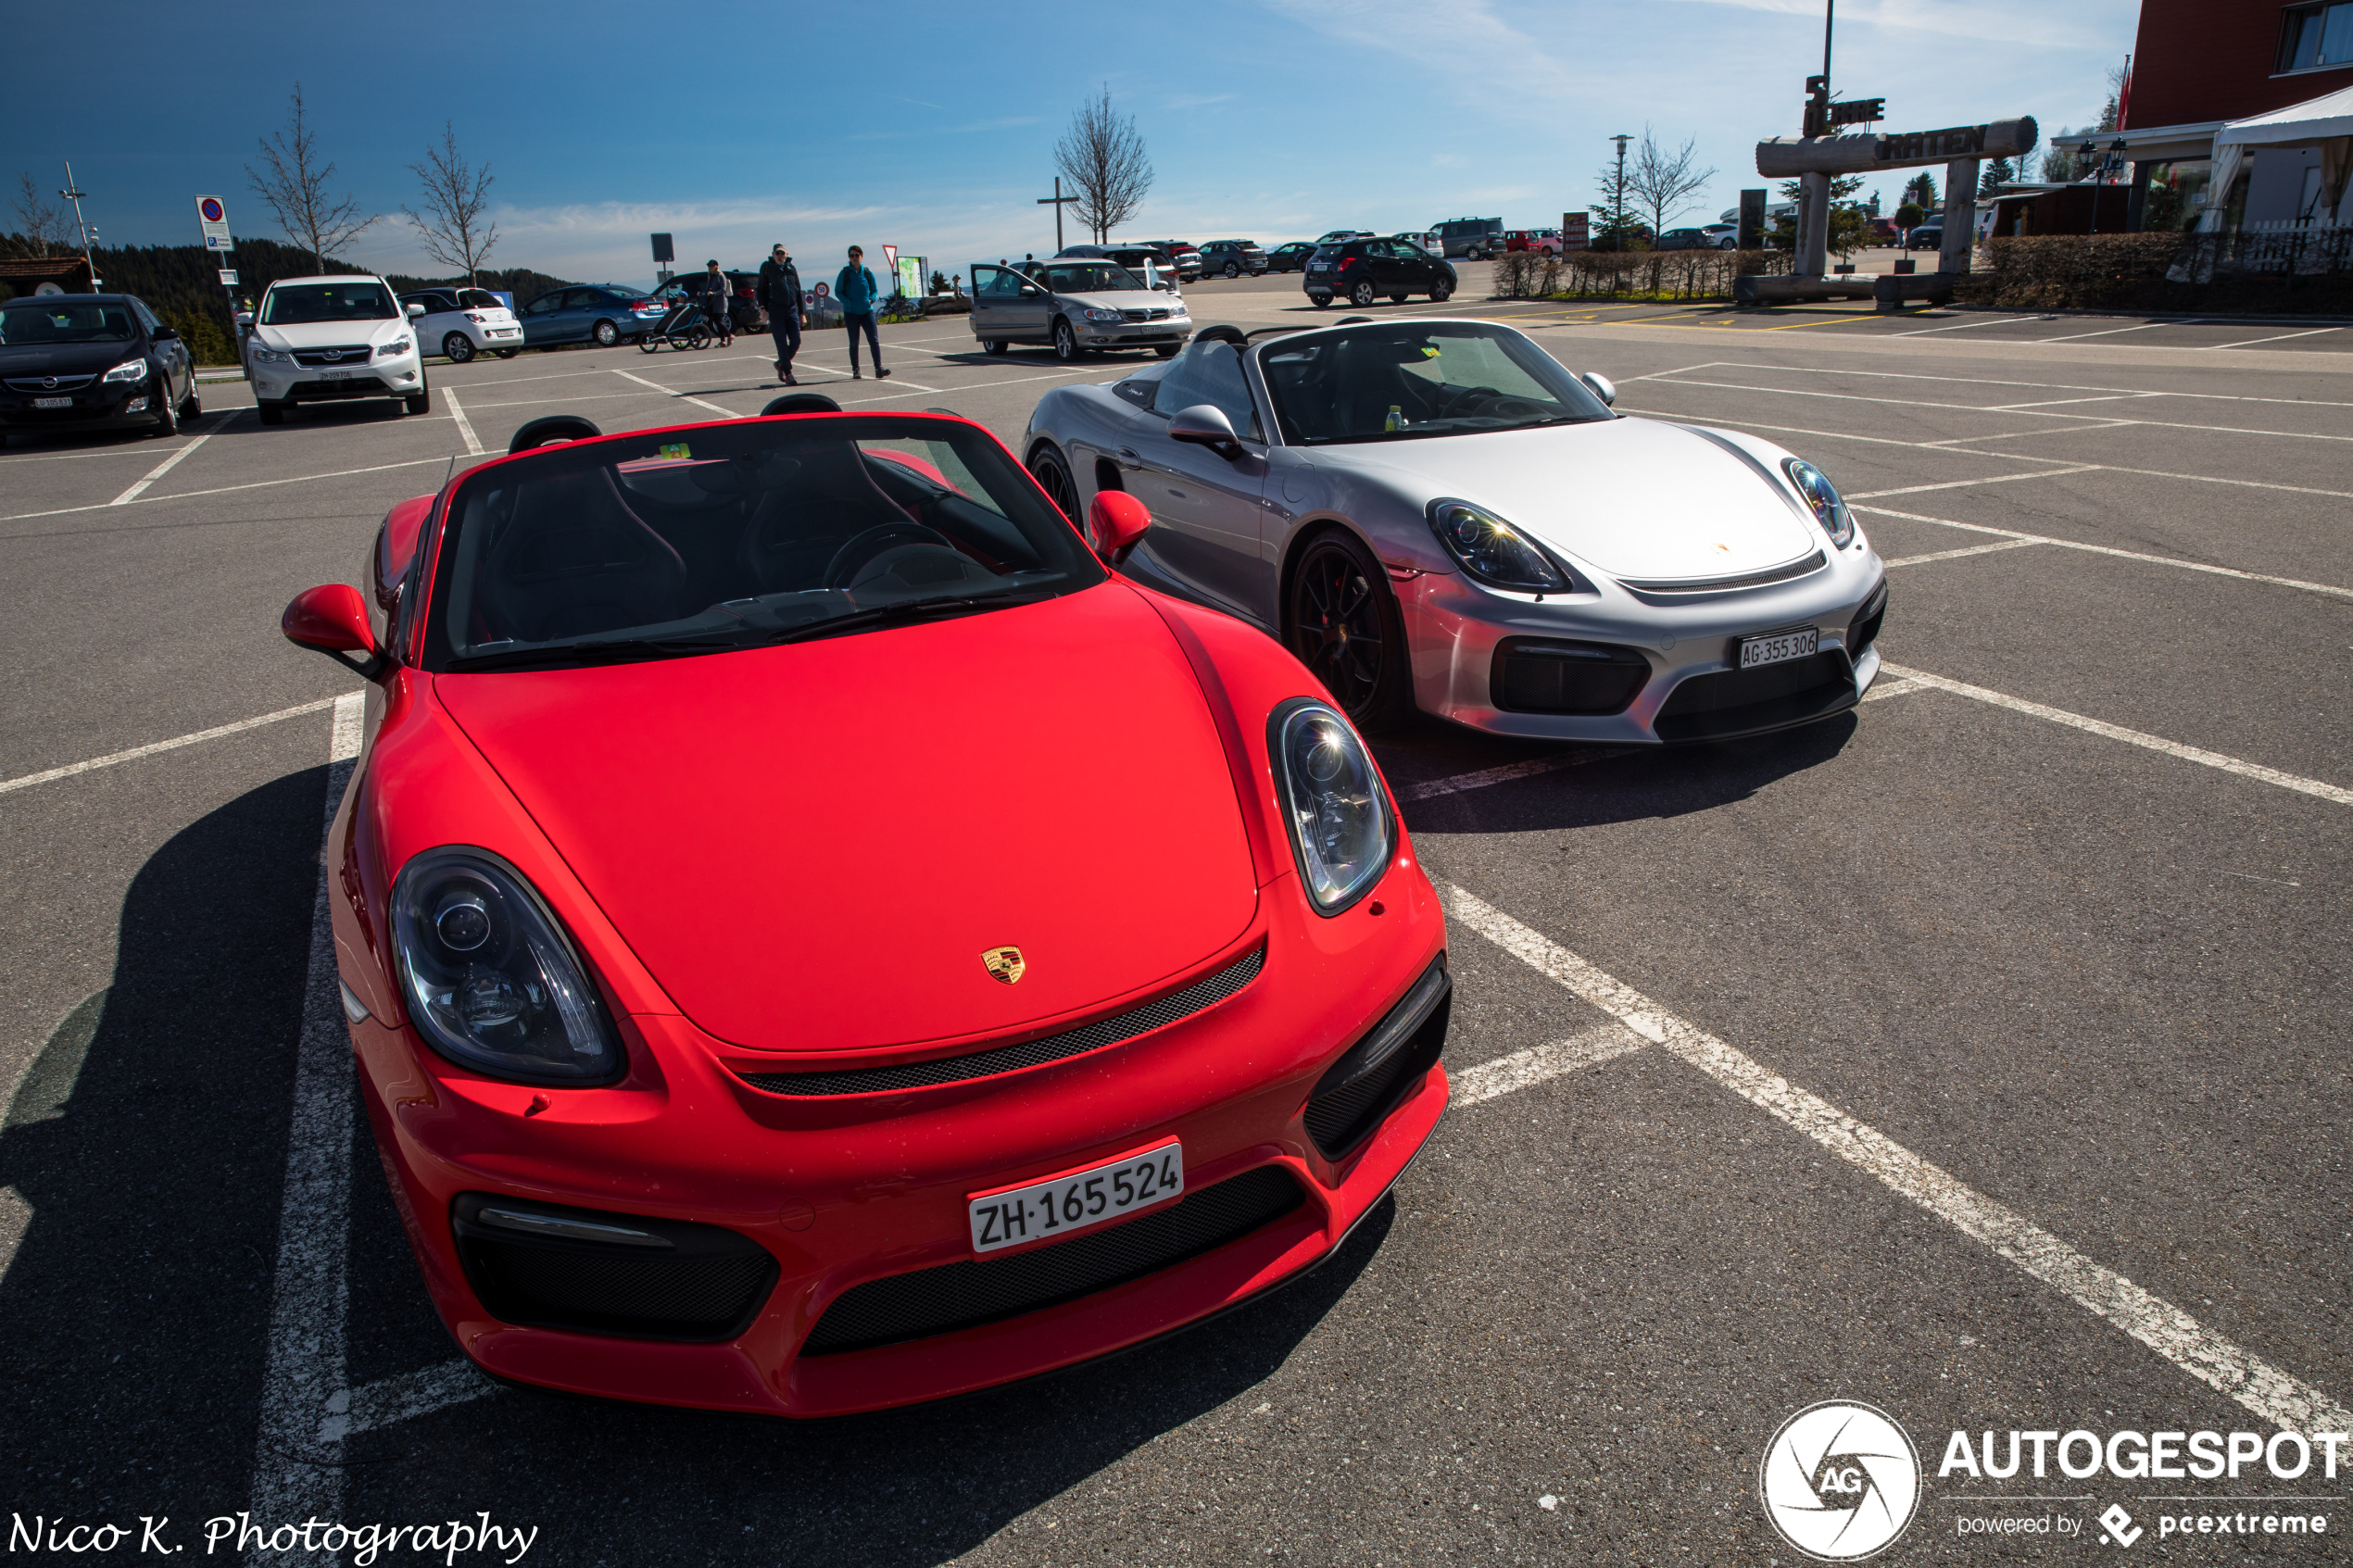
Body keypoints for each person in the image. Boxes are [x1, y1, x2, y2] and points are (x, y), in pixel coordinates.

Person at [837, 245, 888, 380]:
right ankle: (856, 370)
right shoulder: (845, 273)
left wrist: (870, 300)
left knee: (874, 340)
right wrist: (849, 303)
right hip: (851, 313)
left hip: (867, 312)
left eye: (856, 255)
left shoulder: (867, 273)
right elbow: (838, 291)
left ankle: (878, 368)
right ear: (849, 257)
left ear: (861, 256)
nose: (854, 258)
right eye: (851, 255)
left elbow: (875, 290)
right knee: (854, 342)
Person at [757, 244, 804, 385]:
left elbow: (798, 290)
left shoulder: (791, 268)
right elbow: (760, 289)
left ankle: (781, 364)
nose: (780, 256)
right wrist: (763, 309)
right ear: (773, 254)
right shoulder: (767, 267)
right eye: (777, 253)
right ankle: (788, 374)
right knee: (781, 344)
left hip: (791, 310)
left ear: (786, 254)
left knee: (796, 341)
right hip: (776, 310)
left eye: (782, 253)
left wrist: (802, 313)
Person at [696, 259, 734, 347]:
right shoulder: (711, 276)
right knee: (716, 322)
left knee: (718, 321)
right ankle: (723, 341)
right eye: (709, 266)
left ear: (716, 266)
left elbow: (723, 289)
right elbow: (708, 289)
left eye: (712, 266)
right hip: (712, 303)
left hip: (720, 302)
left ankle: (730, 335)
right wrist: (702, 294)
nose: (710, 267)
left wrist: (714, 293)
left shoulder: (720, 276)